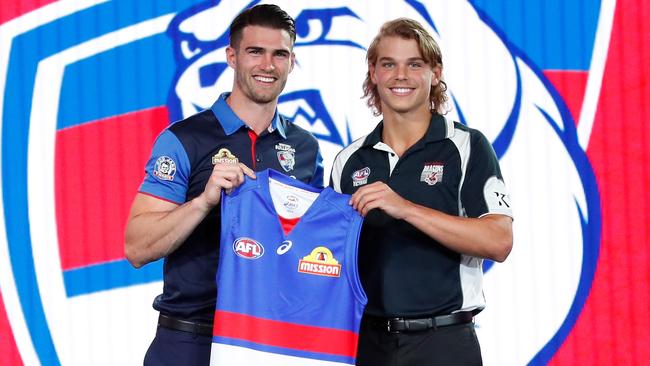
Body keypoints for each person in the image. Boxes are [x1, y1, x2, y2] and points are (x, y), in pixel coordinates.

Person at [125, 4, 323, 365]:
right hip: (189, 338)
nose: (268, 65)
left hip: (269, 342)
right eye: (255, 52)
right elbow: (137, 247)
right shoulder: (184, 139)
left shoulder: (305, 148)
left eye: (280, 54)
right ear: (232, 56)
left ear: (292, 62)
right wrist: (203, 202)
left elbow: (312, 249)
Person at [329, 18, 513, 365]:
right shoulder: (348, 161)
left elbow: (499, 241)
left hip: (443, 342)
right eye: (389, 64)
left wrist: (405, 208)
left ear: (435, 72)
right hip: (367, 344)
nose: (401, 75)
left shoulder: (466, 145)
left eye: (415, 64)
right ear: (374, 73)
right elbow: (331, 259)